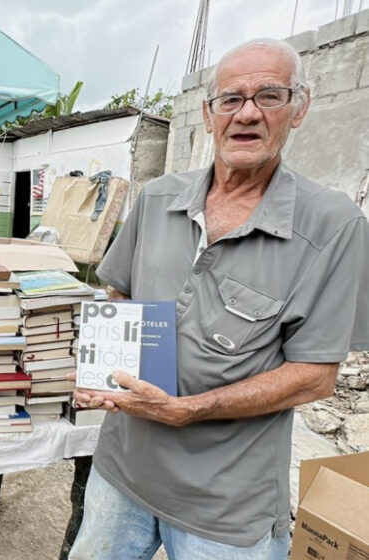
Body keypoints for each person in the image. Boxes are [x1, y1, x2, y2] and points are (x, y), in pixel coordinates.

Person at [66, 38, 369, 560]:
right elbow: (120, 293)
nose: (246, 113)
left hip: (226, 505)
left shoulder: (333, 224)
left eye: (269, 96)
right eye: (230, 99)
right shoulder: (158, 198)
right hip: (123, 471)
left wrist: (190, 409)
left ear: (300, 108)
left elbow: (316, 374)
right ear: (208, 115)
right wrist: (99, 368)